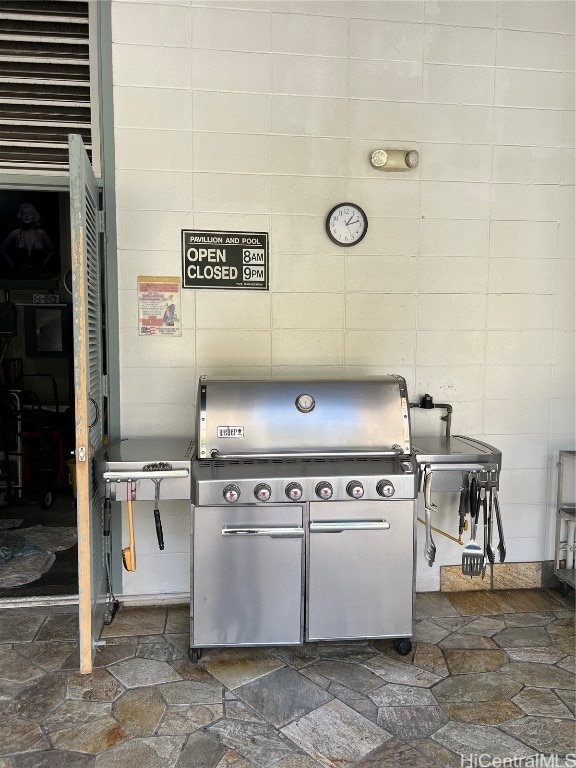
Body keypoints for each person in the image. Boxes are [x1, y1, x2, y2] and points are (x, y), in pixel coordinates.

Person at [0, 202, 54, 278]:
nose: (26, 216)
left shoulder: (41, 233)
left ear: (35, 217)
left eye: (30, 214)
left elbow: (52, 250)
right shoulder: (15, 233)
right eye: (23, 214)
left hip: (37, 274)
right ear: (20, 216)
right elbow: (1, 249)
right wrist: (12, 265)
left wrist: (43, 265)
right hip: (18, 273)